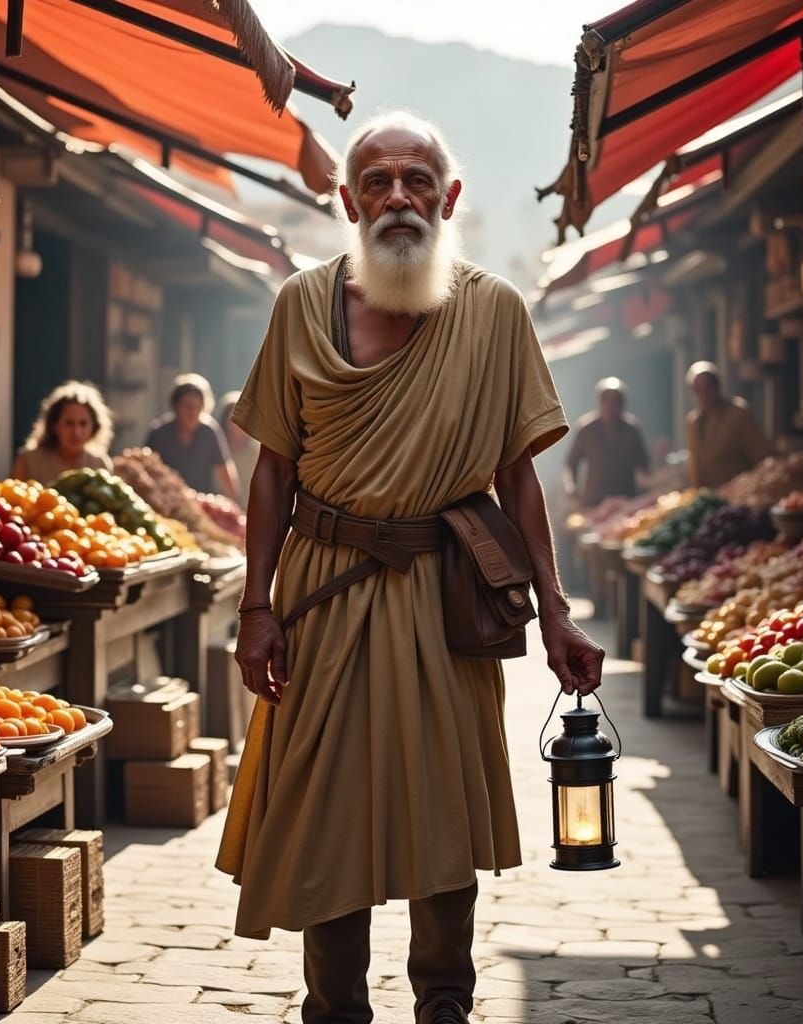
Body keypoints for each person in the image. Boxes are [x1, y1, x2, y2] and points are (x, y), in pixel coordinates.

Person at [217, 111, 604, 1024]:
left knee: (443, 810)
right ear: (348, 200)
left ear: (449, 196)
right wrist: (254, 606)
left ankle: (444, 1004)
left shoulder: (495, 311)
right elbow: (272, 468)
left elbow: (519, 476)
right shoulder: (299, 304)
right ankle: (335, 1008)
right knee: (323, 810)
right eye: (379, 180)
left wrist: (556, 611)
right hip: (322, 595)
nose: (399, 196)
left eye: (417, 179)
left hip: (446, 597)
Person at [145, 373, 239, 498]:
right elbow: (145, 470)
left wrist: (236, 503)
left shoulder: (209, 432)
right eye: (188, 407)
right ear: (175, 406)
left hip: (201, 503)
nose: (193, 413)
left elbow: (223, 470)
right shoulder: (158, 433)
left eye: (198, 407)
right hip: (165, 502)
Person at [563, 377, 649, 508]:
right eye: (607, 401)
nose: (611, 406)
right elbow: (571, 464)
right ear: (599, 402)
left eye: (616, 402)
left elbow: (644, 467)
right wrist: (571, 489)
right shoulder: (586, 429)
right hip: (594, 503)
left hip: (627, 500)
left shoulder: (631, 429)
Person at [685, 361, 771, 489]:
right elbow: (694, 465)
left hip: (738, 495)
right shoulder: (694, 422)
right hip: (708, 498)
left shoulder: (738, 414)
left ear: (717, 386)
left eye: (707, 387)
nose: (703, 395)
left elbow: (762, 458)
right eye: (698, 390)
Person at [12, 380, 113, 483]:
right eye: (69, 423)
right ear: (54, 425)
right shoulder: (29, 460)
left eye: (83, 424)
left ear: (94, 427)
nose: (76, 432)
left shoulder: (99, 464)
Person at [217, 390, 258, 506]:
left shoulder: (257, 452)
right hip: (219, 512)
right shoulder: (215, 448)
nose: (238, 424)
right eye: (233, 419)